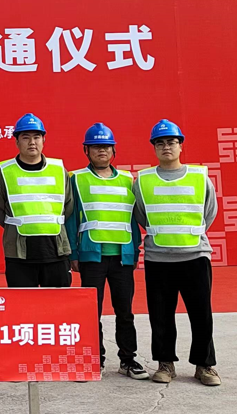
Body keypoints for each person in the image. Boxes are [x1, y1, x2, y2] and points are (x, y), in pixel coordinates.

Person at [133, 119, 221, 387]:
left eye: (171, 142)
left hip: (195, 255)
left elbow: (209, 213)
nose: (166, 147)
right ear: (154, 148)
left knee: (201, 314)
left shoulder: (199, 177)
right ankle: (165, 363)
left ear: (180, 145)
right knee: (160, 315)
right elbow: (141, 215)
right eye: (160, 143)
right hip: (158, 258)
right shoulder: (143, 181)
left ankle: (204, 365)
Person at [64, 122, 149, 380]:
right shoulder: (76, 179)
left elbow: (132, 219)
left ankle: (128, 360)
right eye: (96, 146)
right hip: (92, 255)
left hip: (122, 256)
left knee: (125, 311)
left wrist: (134, 251)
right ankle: (93, 359)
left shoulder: (127, 180)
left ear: (114, 150)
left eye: (106, 146)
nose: (102, 151)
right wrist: (73, 253)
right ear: (86, 150)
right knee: (91, 312)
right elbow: (71, 219)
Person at [0, 113, 73, 289]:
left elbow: (69, 205)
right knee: (23, 304)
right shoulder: (3, 172)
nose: (32, 142)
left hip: (56, 250)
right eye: (26, 137)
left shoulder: (59, 170)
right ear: (16, 142)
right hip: (19, 253)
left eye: (36, 137)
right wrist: (15, 226)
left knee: (58, 304)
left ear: (43, 140)